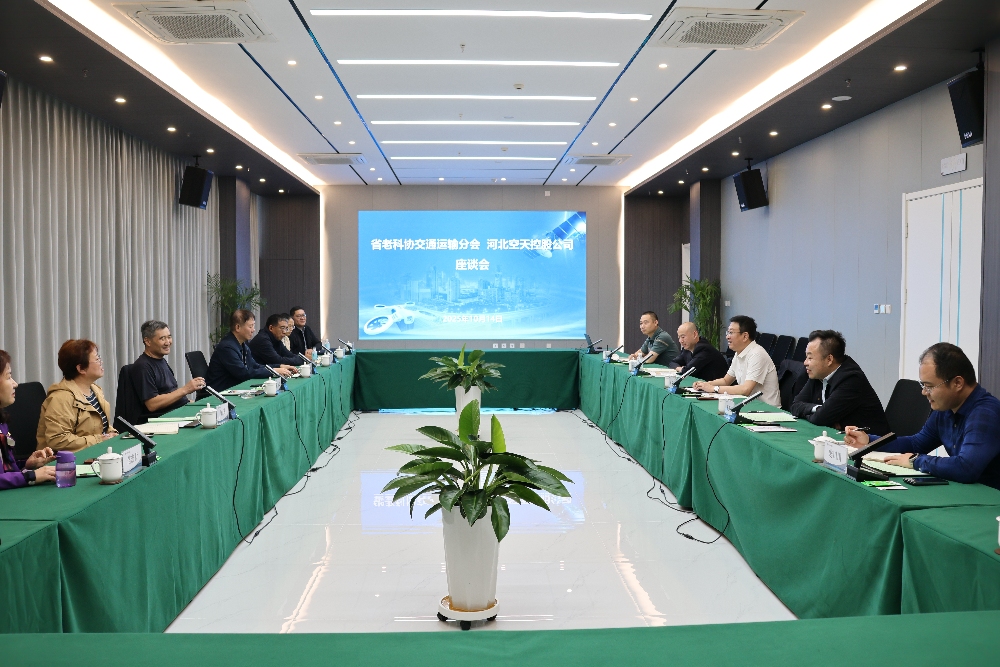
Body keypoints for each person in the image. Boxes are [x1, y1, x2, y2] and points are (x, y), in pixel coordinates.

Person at [844, 343, 1000, 489]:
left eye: (929, 386)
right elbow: (916, 444)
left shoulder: (985, 413)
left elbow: (966, 468)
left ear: (957, 383)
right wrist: (869, 441)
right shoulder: (946, 409)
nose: (924, 392)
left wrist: (915, 460)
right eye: (923, 385)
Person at [790, 330, 889, 432]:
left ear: (829, 359)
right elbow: (795, 406)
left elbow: (820, 418)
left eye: (810, 358)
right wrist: (818, 409)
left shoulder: (852, 379)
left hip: (872, 440)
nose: (805, 363)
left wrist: (815, 415)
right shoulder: (818, 374)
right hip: (841, 437)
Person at [37, 340, 117, 452]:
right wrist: (99, 439)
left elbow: (102, 426)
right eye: (97, 359)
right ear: (81, 369)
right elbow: (58, 439)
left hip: (96, 453)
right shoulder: (61, 398)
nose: (101, 362)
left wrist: (112, 434)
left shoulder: (95, 390)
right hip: (70, 460)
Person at [692, 315, 780, 407]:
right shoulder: (739, 353)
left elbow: (746, 390)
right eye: (728, 332)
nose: (727, 337)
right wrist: (705, 384)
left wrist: (714, 388)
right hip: (749, 405)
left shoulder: (757, 354)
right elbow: (726, 381)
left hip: (766, 409)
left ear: (745, 336)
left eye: (731, 332)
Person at [0, 350, 57, 489]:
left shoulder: (2, 422)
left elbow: (5, 469)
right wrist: (30, 476)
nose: (15, 384)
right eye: (9, 377)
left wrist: (27, 465)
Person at [131, 320, 205, 421]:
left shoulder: (161, 360)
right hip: (164, 420)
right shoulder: (143, 367)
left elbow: (171, 392)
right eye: (162, 338)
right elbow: (152, 404)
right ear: (147, 341)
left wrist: (191, 403)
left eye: (169, 337)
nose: (167, 342)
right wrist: (186, 389)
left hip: (179, 411)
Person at [207, 309, 292, 391]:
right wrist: (274, 371)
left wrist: (279, 366)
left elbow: (254, 366)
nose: (253, 330)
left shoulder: (243, 344)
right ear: (238, 327)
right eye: (250, 326)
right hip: (219, 393)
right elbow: (244, 373)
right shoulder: (227, 348)